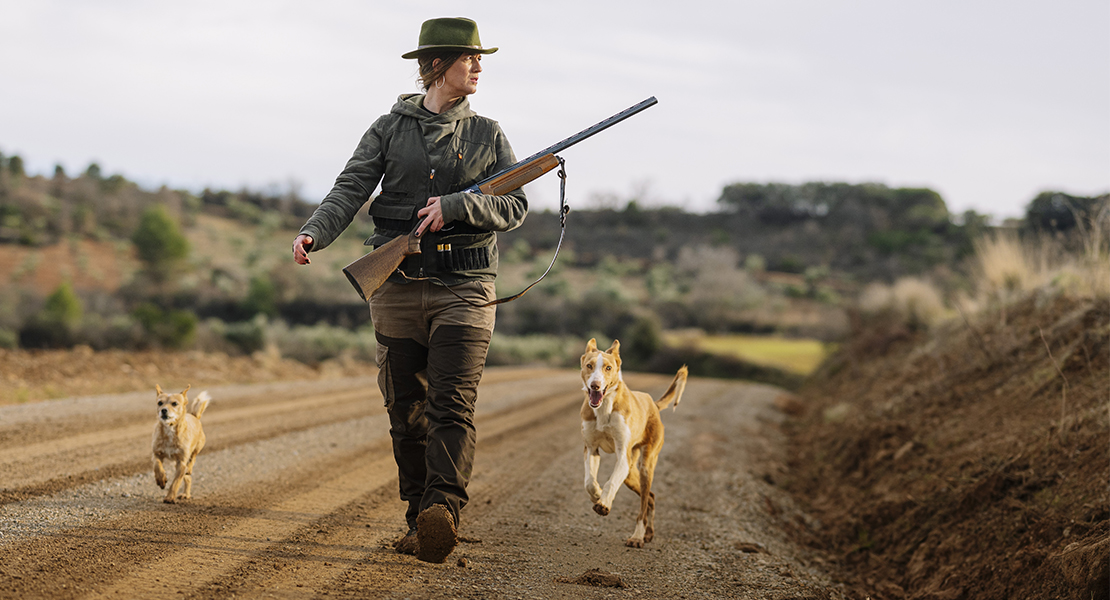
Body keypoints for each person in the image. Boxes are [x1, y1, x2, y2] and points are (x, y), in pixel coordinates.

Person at [291, 17, 527, 564]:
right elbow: (350, 188)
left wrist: (457, 206)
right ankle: (417, 518)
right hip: (395, 286)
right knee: (406, 410)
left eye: (479, 58)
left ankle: (442, 510)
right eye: (470, 58)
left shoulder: (489, 134)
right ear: (440, 65)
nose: (479, 67)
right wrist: (314, 232)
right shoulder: (386, 128)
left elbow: (515, 206)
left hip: (466, 289)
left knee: (452, 404)